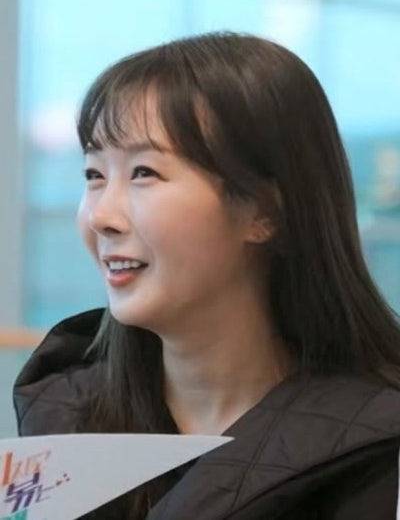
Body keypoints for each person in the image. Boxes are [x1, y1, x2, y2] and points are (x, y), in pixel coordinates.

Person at [13, 31, 400, 519]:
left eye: (143, 173)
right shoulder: (61, 430)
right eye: (94, 175)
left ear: (264, 211)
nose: (100, 217)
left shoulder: (376, 456)